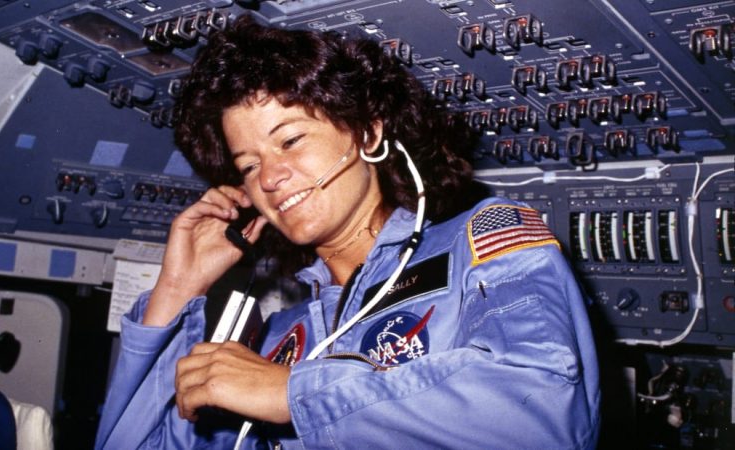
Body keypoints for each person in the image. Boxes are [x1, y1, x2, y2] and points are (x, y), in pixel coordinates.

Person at [95, 14, 600, 449]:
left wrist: (290, 393)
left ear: (369, 132)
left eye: (290, 140)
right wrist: (177, 290)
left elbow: (543, 414)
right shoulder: (277, 340)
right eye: (248, 166)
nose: (269, 178)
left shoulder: (483, 241)